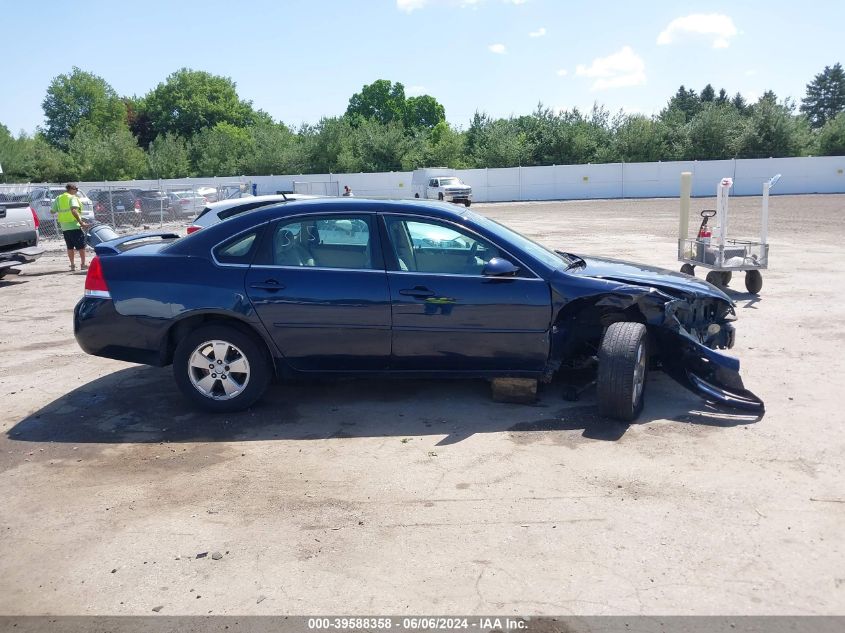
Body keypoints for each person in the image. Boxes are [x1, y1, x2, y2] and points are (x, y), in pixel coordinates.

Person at [51, 183, 89, 271]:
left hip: (64, 227)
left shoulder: (59, 198)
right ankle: (83, 264)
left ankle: (72, 265)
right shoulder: (72, 198)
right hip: (74, 225)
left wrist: (62, 212)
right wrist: (81, 222)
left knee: (70, 247)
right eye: (76, 189)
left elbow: (52, 211)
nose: (76, 191)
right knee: (81, 247)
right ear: (71, 189)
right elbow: (74, 210)